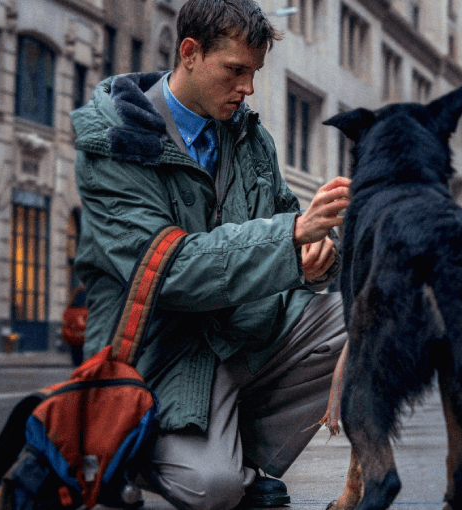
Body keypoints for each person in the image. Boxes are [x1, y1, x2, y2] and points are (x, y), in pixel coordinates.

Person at [69, 1, 351, 508]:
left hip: (241, 338)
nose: (247, 88)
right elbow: (171, 272)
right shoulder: (114, 142)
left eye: (254, 73)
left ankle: (237, 453)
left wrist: (316, 255)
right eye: (235, 71)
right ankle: (136, 453)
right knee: (212, 491)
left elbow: (289, 228)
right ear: (190, 53)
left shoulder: (249, 135)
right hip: (160, 357)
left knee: (361, 323)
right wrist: (290, 235)